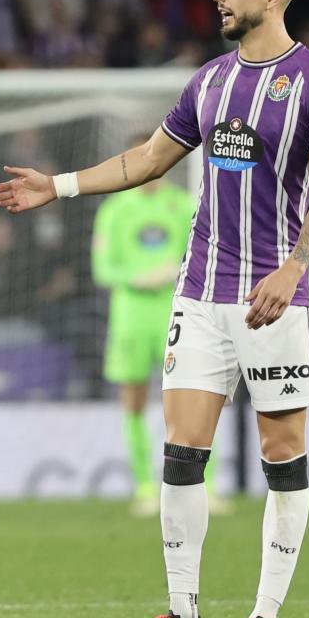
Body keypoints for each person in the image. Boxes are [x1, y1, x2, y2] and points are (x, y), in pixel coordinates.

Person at [0, 0, 309, 618]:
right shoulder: (209, 82)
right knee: (182, 454)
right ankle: (182, 616)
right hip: (201, 294)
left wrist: (292, 269)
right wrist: (57, 185)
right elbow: (149, 159)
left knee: (282, 457)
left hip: (274, 299)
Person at [90, 149, 199, 517]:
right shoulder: (114, 210)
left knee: (191, 400)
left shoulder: (183, 204)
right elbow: (102, 269)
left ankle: (204, 487)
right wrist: (139, 277)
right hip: (131, 315)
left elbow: (203, 256)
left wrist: (177, 270)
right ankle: (145, 486)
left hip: (177, 311)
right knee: (134, 400)